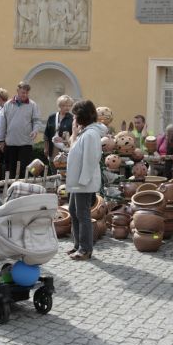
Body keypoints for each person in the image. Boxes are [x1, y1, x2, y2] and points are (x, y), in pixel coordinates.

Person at [65, 100, 107, 260]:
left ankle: (85, 249)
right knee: (73, 211)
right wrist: (74, 134)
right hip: (78, 182)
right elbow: (74, 148)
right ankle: (78, 245)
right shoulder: (85, 132)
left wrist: (83, 181)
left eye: (75, 115)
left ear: (82, 116)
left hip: (83, 182)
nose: (73, 118)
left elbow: (91, 159)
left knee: (82, 214)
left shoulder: (90, 134)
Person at [0, 81, 44, 179]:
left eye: (27, 93)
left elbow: (37, 121)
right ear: (17, 91)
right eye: (23, 92)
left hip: (26, 142)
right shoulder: (8, 104)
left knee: (25, 169)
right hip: (10, 143)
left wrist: (35, 130)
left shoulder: (32, 105)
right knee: (10, 169)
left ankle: (23, 189)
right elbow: (2, 124)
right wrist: (1, 140)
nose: (25, 95)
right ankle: (9, 189)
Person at [44, 95, 74, 169]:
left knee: (63, 170)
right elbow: (46, 134)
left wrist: (64, 140)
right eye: (65, 105)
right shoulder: (52, 117)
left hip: (65, 149)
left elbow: (75, 136)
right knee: (53, 168)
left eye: (69, 105)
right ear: (59, 105)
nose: (67, 108)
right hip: (53, 149)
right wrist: (46, 147)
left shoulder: (72, 118)